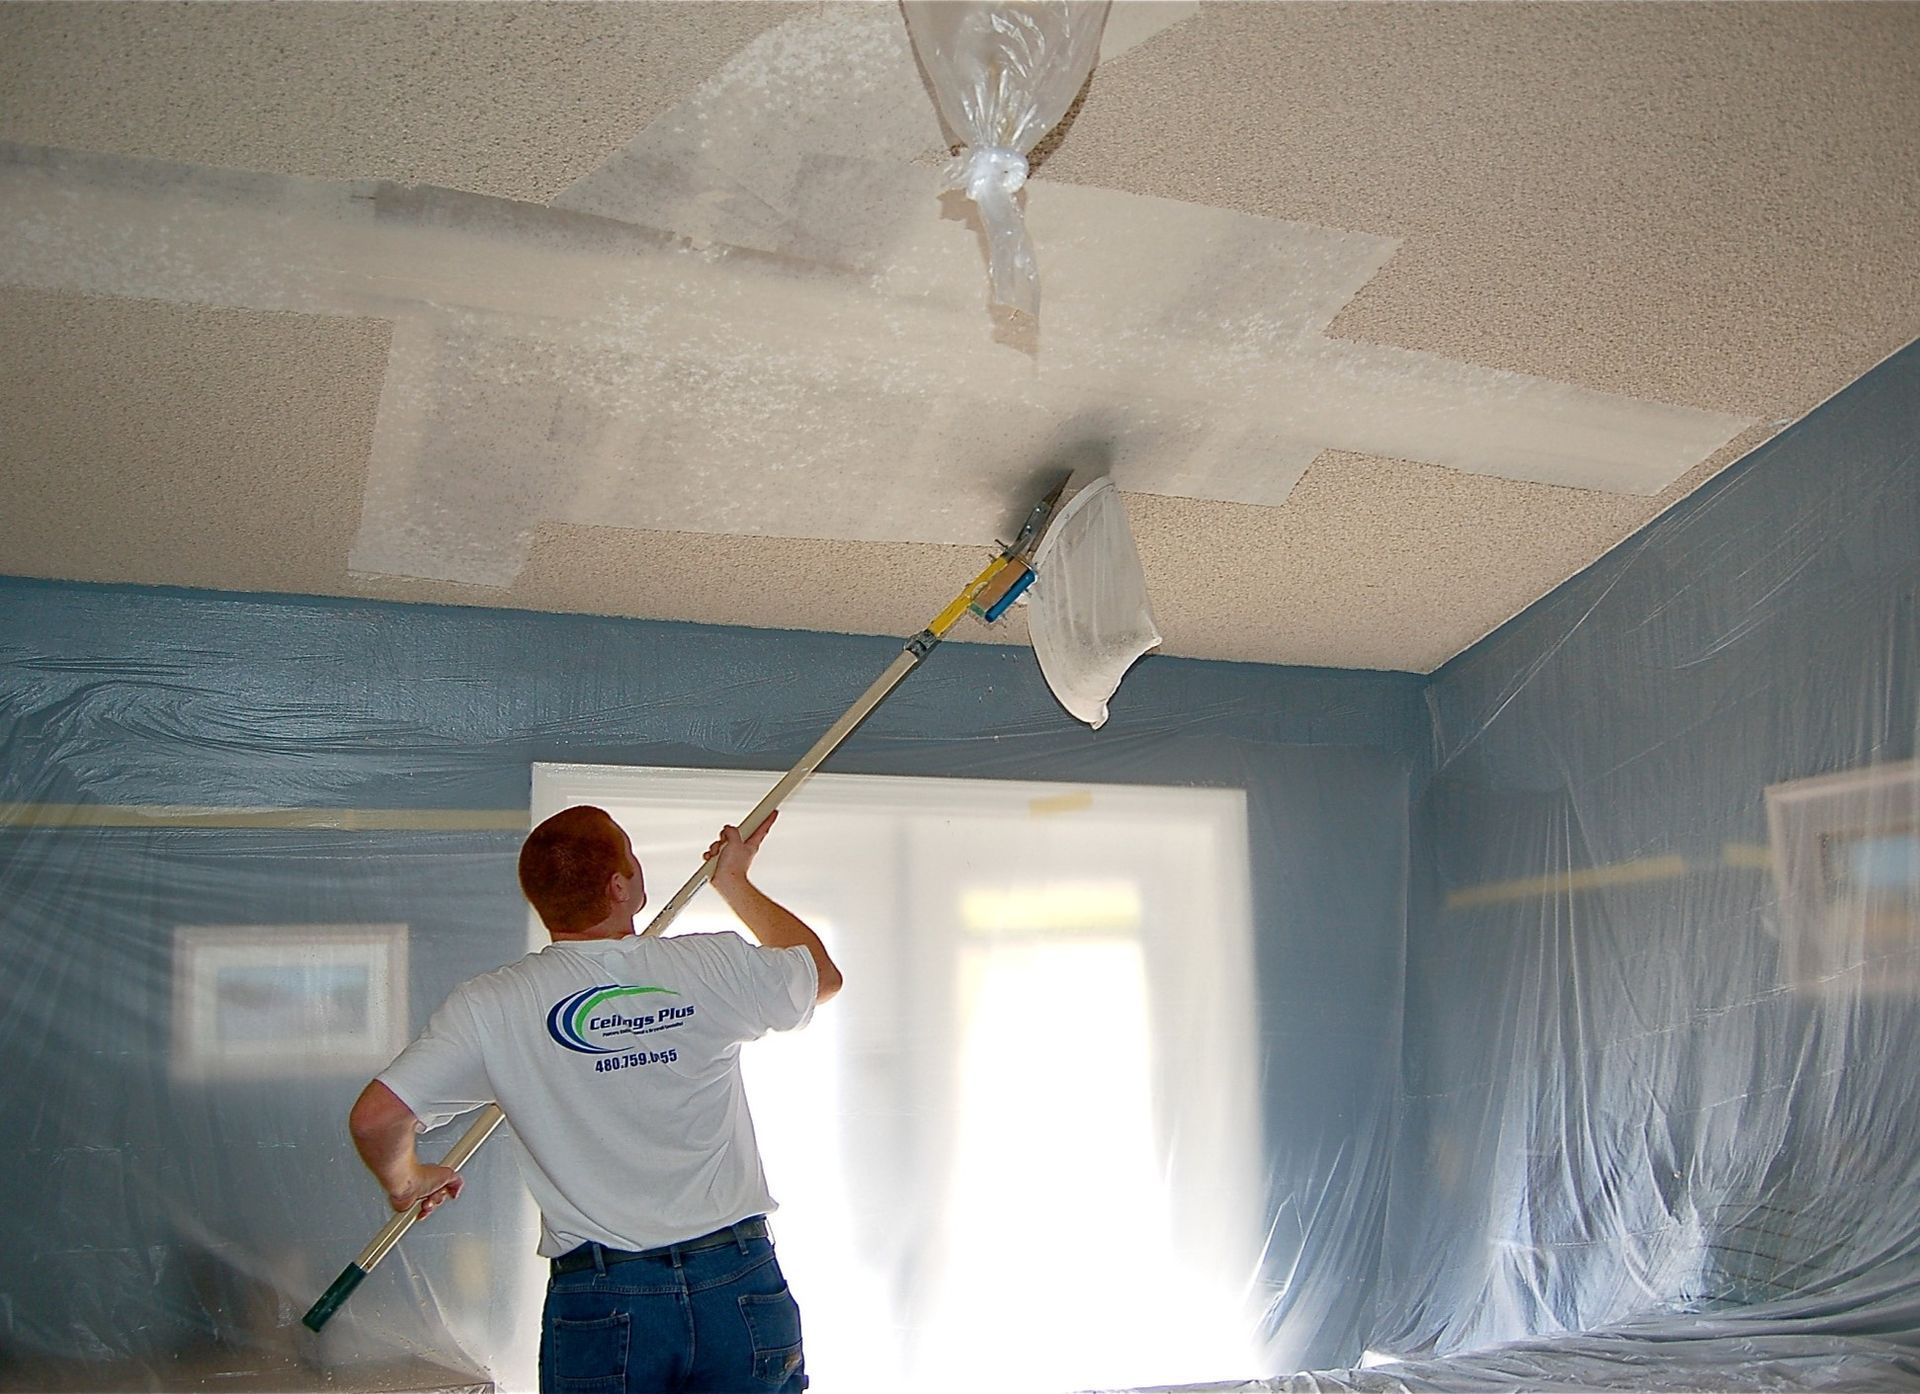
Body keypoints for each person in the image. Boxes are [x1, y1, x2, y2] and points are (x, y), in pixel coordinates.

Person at [347, 804, 841, 1393]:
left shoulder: (495, 1006)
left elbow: (377, 1118)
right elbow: (821, 975)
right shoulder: (709, 964)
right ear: (619, 887)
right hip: (736, 1283)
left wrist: (406, 1182)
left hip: (604, 1296)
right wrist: (733, 882)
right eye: (631, 858)